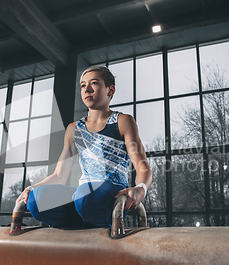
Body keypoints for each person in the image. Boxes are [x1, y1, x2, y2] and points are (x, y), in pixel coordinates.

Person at [14, 65, 152, 228]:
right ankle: (84, 220)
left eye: (94, 83)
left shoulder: (123, 121)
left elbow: (142, 167)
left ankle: (90, 215)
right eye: (83, 85)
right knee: (37, 199)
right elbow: (59, 175)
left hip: (111, 195)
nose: (87, 89)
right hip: (83, 196)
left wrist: (140, 189)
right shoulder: (73, 129)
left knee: (86, 195)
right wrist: (31, 188)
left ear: (110, 90)